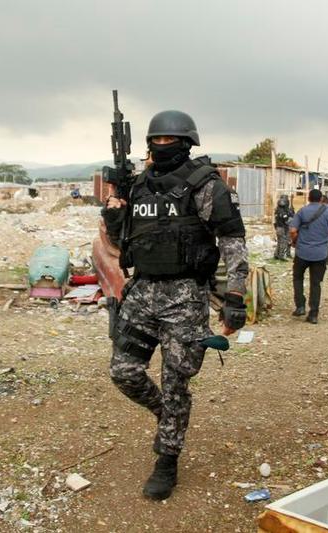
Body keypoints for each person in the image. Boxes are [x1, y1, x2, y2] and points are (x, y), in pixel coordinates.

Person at [102, 110, 248, 500]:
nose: (162, 146)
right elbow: (123, 243)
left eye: (170, 140)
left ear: (187, 144)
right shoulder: (137, 187)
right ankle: (165, 415)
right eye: (157, 140)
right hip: (143, 292)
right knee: (124, 372)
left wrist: (235, 296)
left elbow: (233, 241)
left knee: (176, 381)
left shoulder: (206, 186)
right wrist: (114, 214)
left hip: (185, 298)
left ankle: (167, 457)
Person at [289, 189, 328, 324]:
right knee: (316, 283)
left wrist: (295, 241)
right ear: (321, 199)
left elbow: (293, 230)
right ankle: (313, 314)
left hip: (302, 252)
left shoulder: (302, 211)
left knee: (297, 278)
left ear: (308, 198)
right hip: (320, 254)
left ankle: (300, 306)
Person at [273, 195, 295, 260]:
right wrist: (292, 218)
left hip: (280, 227)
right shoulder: (282, 212)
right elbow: (286, 221)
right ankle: (281, 256)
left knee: (280, 242)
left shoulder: (278, 210)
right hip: (282, 227)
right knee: (283, 242)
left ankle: (277, 254)